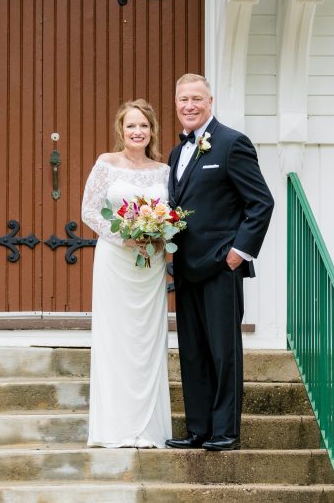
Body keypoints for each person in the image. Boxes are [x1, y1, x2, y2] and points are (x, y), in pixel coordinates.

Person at [164, 73, 274, 452]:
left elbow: (261, 203)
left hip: (220, 268)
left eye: (196, 99)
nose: (189, 106)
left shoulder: (232, 143)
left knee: (224, 351)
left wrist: (237, 254)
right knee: (192, 351)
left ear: (210, 102)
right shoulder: (177, 153)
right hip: (187, 269)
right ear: (176, 104)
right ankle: (198, 429)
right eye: (183, 100)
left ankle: (225, 431)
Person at [80, 99, 173, 448]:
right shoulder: (106, 163)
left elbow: (172, 214)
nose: (138, 132)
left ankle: (149, 429)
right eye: (131, 126)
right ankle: (114, 427)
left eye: (144, 126)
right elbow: (89, 211)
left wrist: (156, 236)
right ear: (121, 130)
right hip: (116, 260)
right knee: (116, 338)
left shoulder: (163, 171)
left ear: (152, 131)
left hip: (150, 264)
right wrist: (127, 236)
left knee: (146, 342)